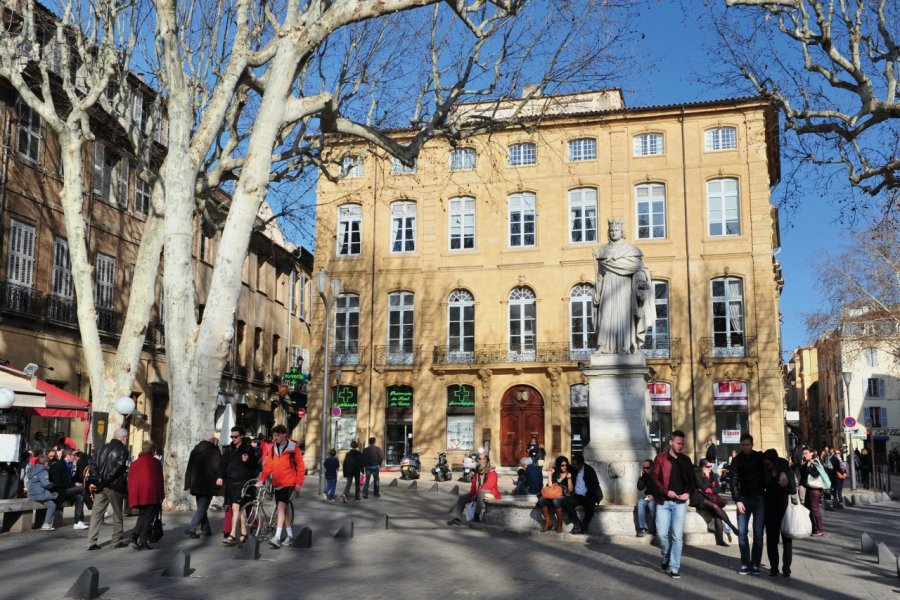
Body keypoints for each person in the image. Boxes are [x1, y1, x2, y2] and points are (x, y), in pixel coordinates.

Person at [591, 218, 656, 354]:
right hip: (607, 287)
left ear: (622, 232)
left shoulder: (631, 250)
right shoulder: (602, 252)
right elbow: (600, 275)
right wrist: (597, 291)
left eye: (617, 230)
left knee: (624, 317)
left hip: (624, 287)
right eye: (612, 230)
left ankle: (626, 346)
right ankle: (603, 346)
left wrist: (640, 285)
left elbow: (638, 269)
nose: (614, 232)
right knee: (605, 316)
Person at [651, 430, 695, 579]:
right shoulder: (660, 459)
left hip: (680, 504)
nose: (681, 446)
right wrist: (665, 492)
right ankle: (666, 555)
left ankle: (674, 567)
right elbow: (654, 479)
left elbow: (692, 481)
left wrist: (688, 493)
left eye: (682, 443)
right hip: (663, 502)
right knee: (661, 534)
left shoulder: (686, 460)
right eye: (678, 443)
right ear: (670, 442)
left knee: (677, 537)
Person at [256, 424, 305, 547]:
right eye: (274, 435)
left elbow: (300, 466)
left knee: (280, 509)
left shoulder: (294, 448)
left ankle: (277, 537)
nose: (275, 437)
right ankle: (290, 536)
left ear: (284, 435)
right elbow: (268, 466)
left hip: (289, 482)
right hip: (277, 483)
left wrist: (299, 483)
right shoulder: (274, 449)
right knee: (285, 511)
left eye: (277, 435)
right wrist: (262, 479)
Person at [86, 428, 130, 550]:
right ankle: (116, 541)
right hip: (114, 486)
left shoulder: (101, 448)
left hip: (101, 486)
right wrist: (105, 480)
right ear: (123, 438)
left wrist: (98, 480)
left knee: (96, 513)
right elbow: (117, 469)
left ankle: (91, 541)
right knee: (117, 513)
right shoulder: (122, 450)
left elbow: (93, 465)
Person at [730, 433, 766, 575]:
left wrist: (782, 472)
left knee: (758, 534)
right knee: (742, 533)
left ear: (752, 444)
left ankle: (755, 564)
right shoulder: (736, 460)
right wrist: (737, 500)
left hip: (759, 499)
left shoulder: (759, 457)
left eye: (747, 445)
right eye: (743, 445)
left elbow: (777, 461)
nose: (745, 447)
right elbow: (733, 481)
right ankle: (745, 563)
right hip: (743, 499)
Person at [216, 426, 259, 546]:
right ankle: (244, 532)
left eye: (235, 436)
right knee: (237, 508)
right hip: (231, 482)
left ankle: (233, 534)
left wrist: (248, 460)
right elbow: (222, 464)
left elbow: (255, 465)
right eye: (232, 436)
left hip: (243, 481)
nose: (233, 439)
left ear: (242, 436)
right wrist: (220, 477)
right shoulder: (229, 449)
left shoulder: (248, 448)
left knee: (236, 507)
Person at [762, 448, 796, 577]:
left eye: (769, 463)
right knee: (771, 540)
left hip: (784, 509)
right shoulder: (765, 471)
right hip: (770, 509)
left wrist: (785, 481)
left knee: (787, 539)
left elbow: (793, 490)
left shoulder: (785, 470)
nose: (767, 465)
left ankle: (786, 567)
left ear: (774, 461)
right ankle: (774, 567)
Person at [127, 441, 165, 550]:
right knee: (148, 519)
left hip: (139, 495)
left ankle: (134, 536)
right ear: (152, 450)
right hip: (151, 495)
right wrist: (161, 495)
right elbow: (159, 480)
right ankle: (143, 541)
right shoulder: (155, 462)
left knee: (142, 517)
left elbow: (131, 480)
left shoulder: (134, 463)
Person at [691, 459, 737, 546]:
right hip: (698, 498)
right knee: (715, 507)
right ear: (702, 467)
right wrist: (707, 477)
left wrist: (710, 489)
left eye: (711, 466)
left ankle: (720, 540)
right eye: (708, 466)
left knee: (717, 514)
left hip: (709, 498)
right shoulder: (696, 474)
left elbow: (718, 488)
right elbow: (702, 486)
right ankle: (731, 526)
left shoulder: (713, 474)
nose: (710, 468)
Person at [183, 431, 221, 538]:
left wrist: (188, 483)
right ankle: (191, 528)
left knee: (201, 507)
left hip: (195, 483)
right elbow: (217, 466)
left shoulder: (195, 450)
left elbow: (189, 468)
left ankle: (206, 529)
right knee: (202, 508)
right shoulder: (214, 450)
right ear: (211, 439)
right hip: (207, 484)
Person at [448, 452, 501, 525]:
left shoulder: (492, 472)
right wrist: (472, 494)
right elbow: (473, 485)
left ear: (485, 460)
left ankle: (476, 516)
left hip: (490, 493)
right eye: (477, 459)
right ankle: (457, 519)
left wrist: (476, 495)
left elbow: (488, 486)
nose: (477, 460)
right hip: (478, 493)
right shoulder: (477, 471)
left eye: (479, 459)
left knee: (481, 492)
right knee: (462, 498)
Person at [563, 453, 602, 535]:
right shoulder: (573, 469)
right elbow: (561, 466)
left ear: (581, 464)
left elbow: (595, 485)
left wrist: (591, 496)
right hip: (577, 496)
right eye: (572, 464)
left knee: (591, 506)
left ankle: (584, 525)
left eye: (575, 464)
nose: (573, 466)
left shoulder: (589, 470)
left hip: (588, 495)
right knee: (566, 502)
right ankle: (577, 524)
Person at [533, 455, 574, 533]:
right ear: (559, 465)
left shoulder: (570, 473)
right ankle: (548, 522)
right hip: (554, 494)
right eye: (562, 465)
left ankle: (559, 524)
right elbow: (550, 487)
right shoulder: (556, 473)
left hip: (565, 496)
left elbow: (570, 490)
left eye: (566, 465)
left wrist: (569, 479)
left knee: (556, 501)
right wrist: (549, 475)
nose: (564, 467)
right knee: (541, 500)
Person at [49, 448, 87, 529]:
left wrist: (75, 483)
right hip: (59, 492)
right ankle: (93, 506)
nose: (74, 457)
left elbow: (69, 480)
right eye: (73, 455)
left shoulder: (67, 465)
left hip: (65, 490)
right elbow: (57, 482)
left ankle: (78, 522)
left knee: (80, 497)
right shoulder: (58, 465)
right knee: (82, 489)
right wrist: (74, 484)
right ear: (68, 455)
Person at [25, 454, 58, 531]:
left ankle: (41, 523)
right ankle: (47, 524)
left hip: (31, 493)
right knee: (52, 505)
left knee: (51, 498)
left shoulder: (33, 469)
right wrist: (52, 485)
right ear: (46, 463)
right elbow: (45, 484)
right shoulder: (43, 471)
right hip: (39, 494)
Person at [799, 446, 827, 537]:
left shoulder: (816, 462)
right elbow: (803, 476)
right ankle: (812, 528)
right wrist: (803, 466)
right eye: (803, 454)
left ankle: (819, 529)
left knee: (815, 509)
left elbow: (815, 474)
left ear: (812, 453)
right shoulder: (806, 462)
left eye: (806, 453)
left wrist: (808, 467)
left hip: (815, 489)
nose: (804, 455)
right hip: (808, 488)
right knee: (808, 508)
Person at [635, 459, 657, 537]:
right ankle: (642, 528)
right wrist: (640, 477)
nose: (645, 470)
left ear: (653, 467)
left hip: (657, 496)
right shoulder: (644, 475)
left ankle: (656, 527)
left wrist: (654, 496)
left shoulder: (657, 474)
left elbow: (661, 488)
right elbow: (640, 488)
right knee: (640, 502)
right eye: (643, 468)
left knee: (651, 505)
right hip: (648, 496)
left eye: (647, 468)